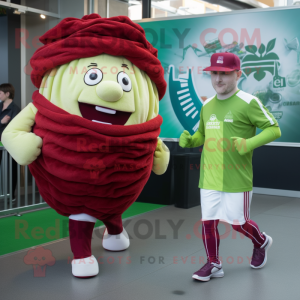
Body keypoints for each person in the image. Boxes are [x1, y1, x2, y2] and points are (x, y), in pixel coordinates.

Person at [179, 52, 281, 282]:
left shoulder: (248, 102)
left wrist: (249, 143)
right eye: (214, 73)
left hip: (237, 178)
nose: (218, 79)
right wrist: (190, 140)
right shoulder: (207, 104)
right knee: (208, 222)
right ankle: (214, 263)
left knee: (239, 224)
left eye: (224, 74)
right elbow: (202, 135)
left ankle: (261, 241)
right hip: (209, 177)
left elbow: (274, 129)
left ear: (238, 74)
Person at [0, 83, 21, 201]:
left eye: (0, 93)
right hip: (0, 144)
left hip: (10, 145)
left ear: (7, 94)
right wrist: (1, 122)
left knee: (11, 170)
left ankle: (11, 195)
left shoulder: (15, 109)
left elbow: (15, 128)